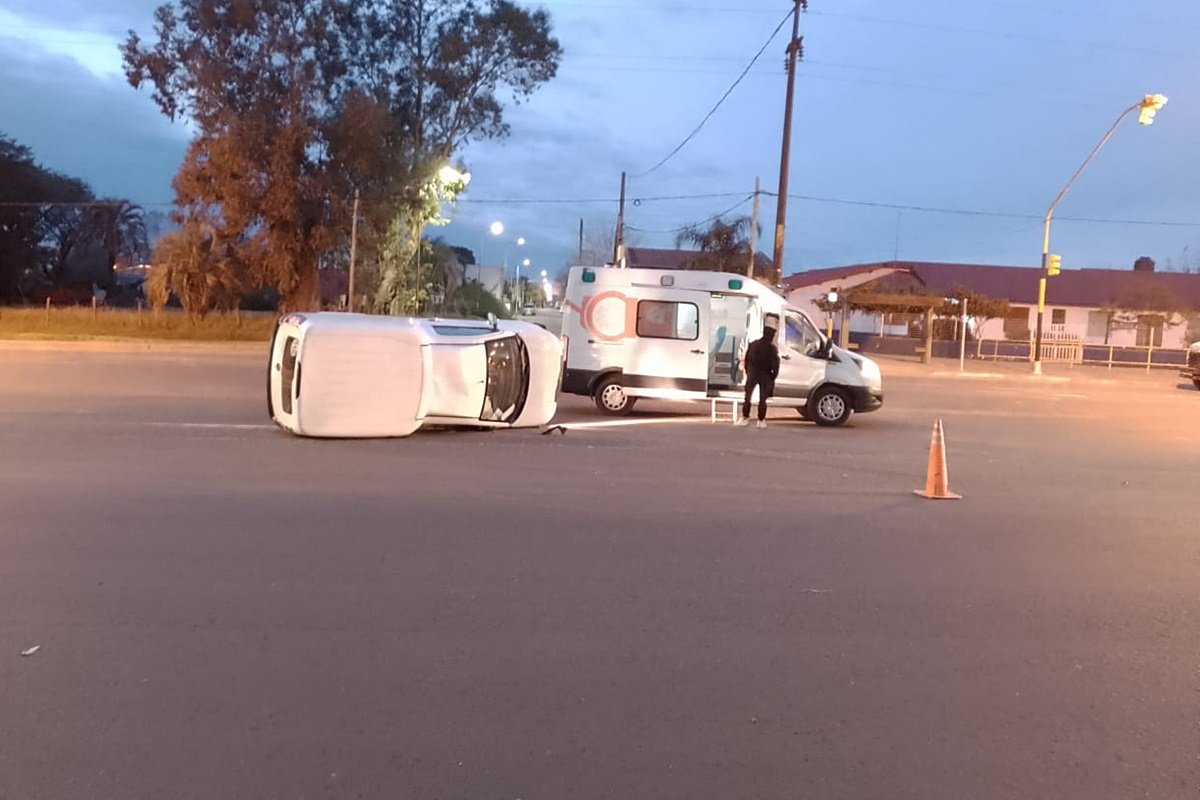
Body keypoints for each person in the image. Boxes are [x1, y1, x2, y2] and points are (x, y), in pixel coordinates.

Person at [738, 322, 780, 428]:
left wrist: (748, 372)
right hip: (765, 375)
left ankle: (745, 418)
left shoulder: (753, 345)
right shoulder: (772, 348)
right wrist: (772, 377)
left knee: (747, 397)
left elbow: (747, 360)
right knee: (762, 399)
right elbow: (775, 364)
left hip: (753, 373)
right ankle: (761, 420)